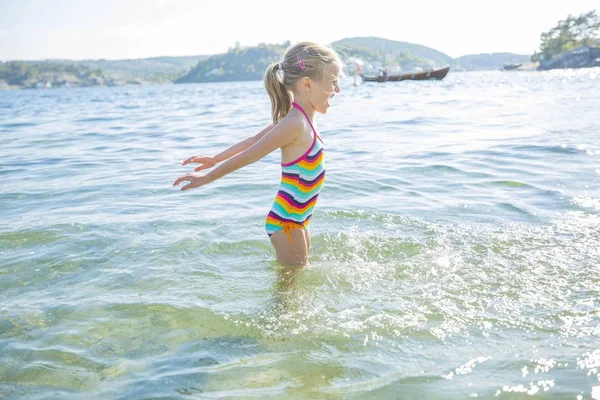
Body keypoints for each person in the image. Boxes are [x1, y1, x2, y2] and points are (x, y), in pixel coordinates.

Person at [173, 42, 343, 267]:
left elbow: (253, 140)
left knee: (295, 286)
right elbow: (251, 154)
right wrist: (207, 177)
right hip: (287, 222)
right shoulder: (295, 123)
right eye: (333, 83)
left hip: (298, 219)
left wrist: (215, 158)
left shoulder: (303, 120)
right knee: (289, 290)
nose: (337, 90)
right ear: (307, 84)